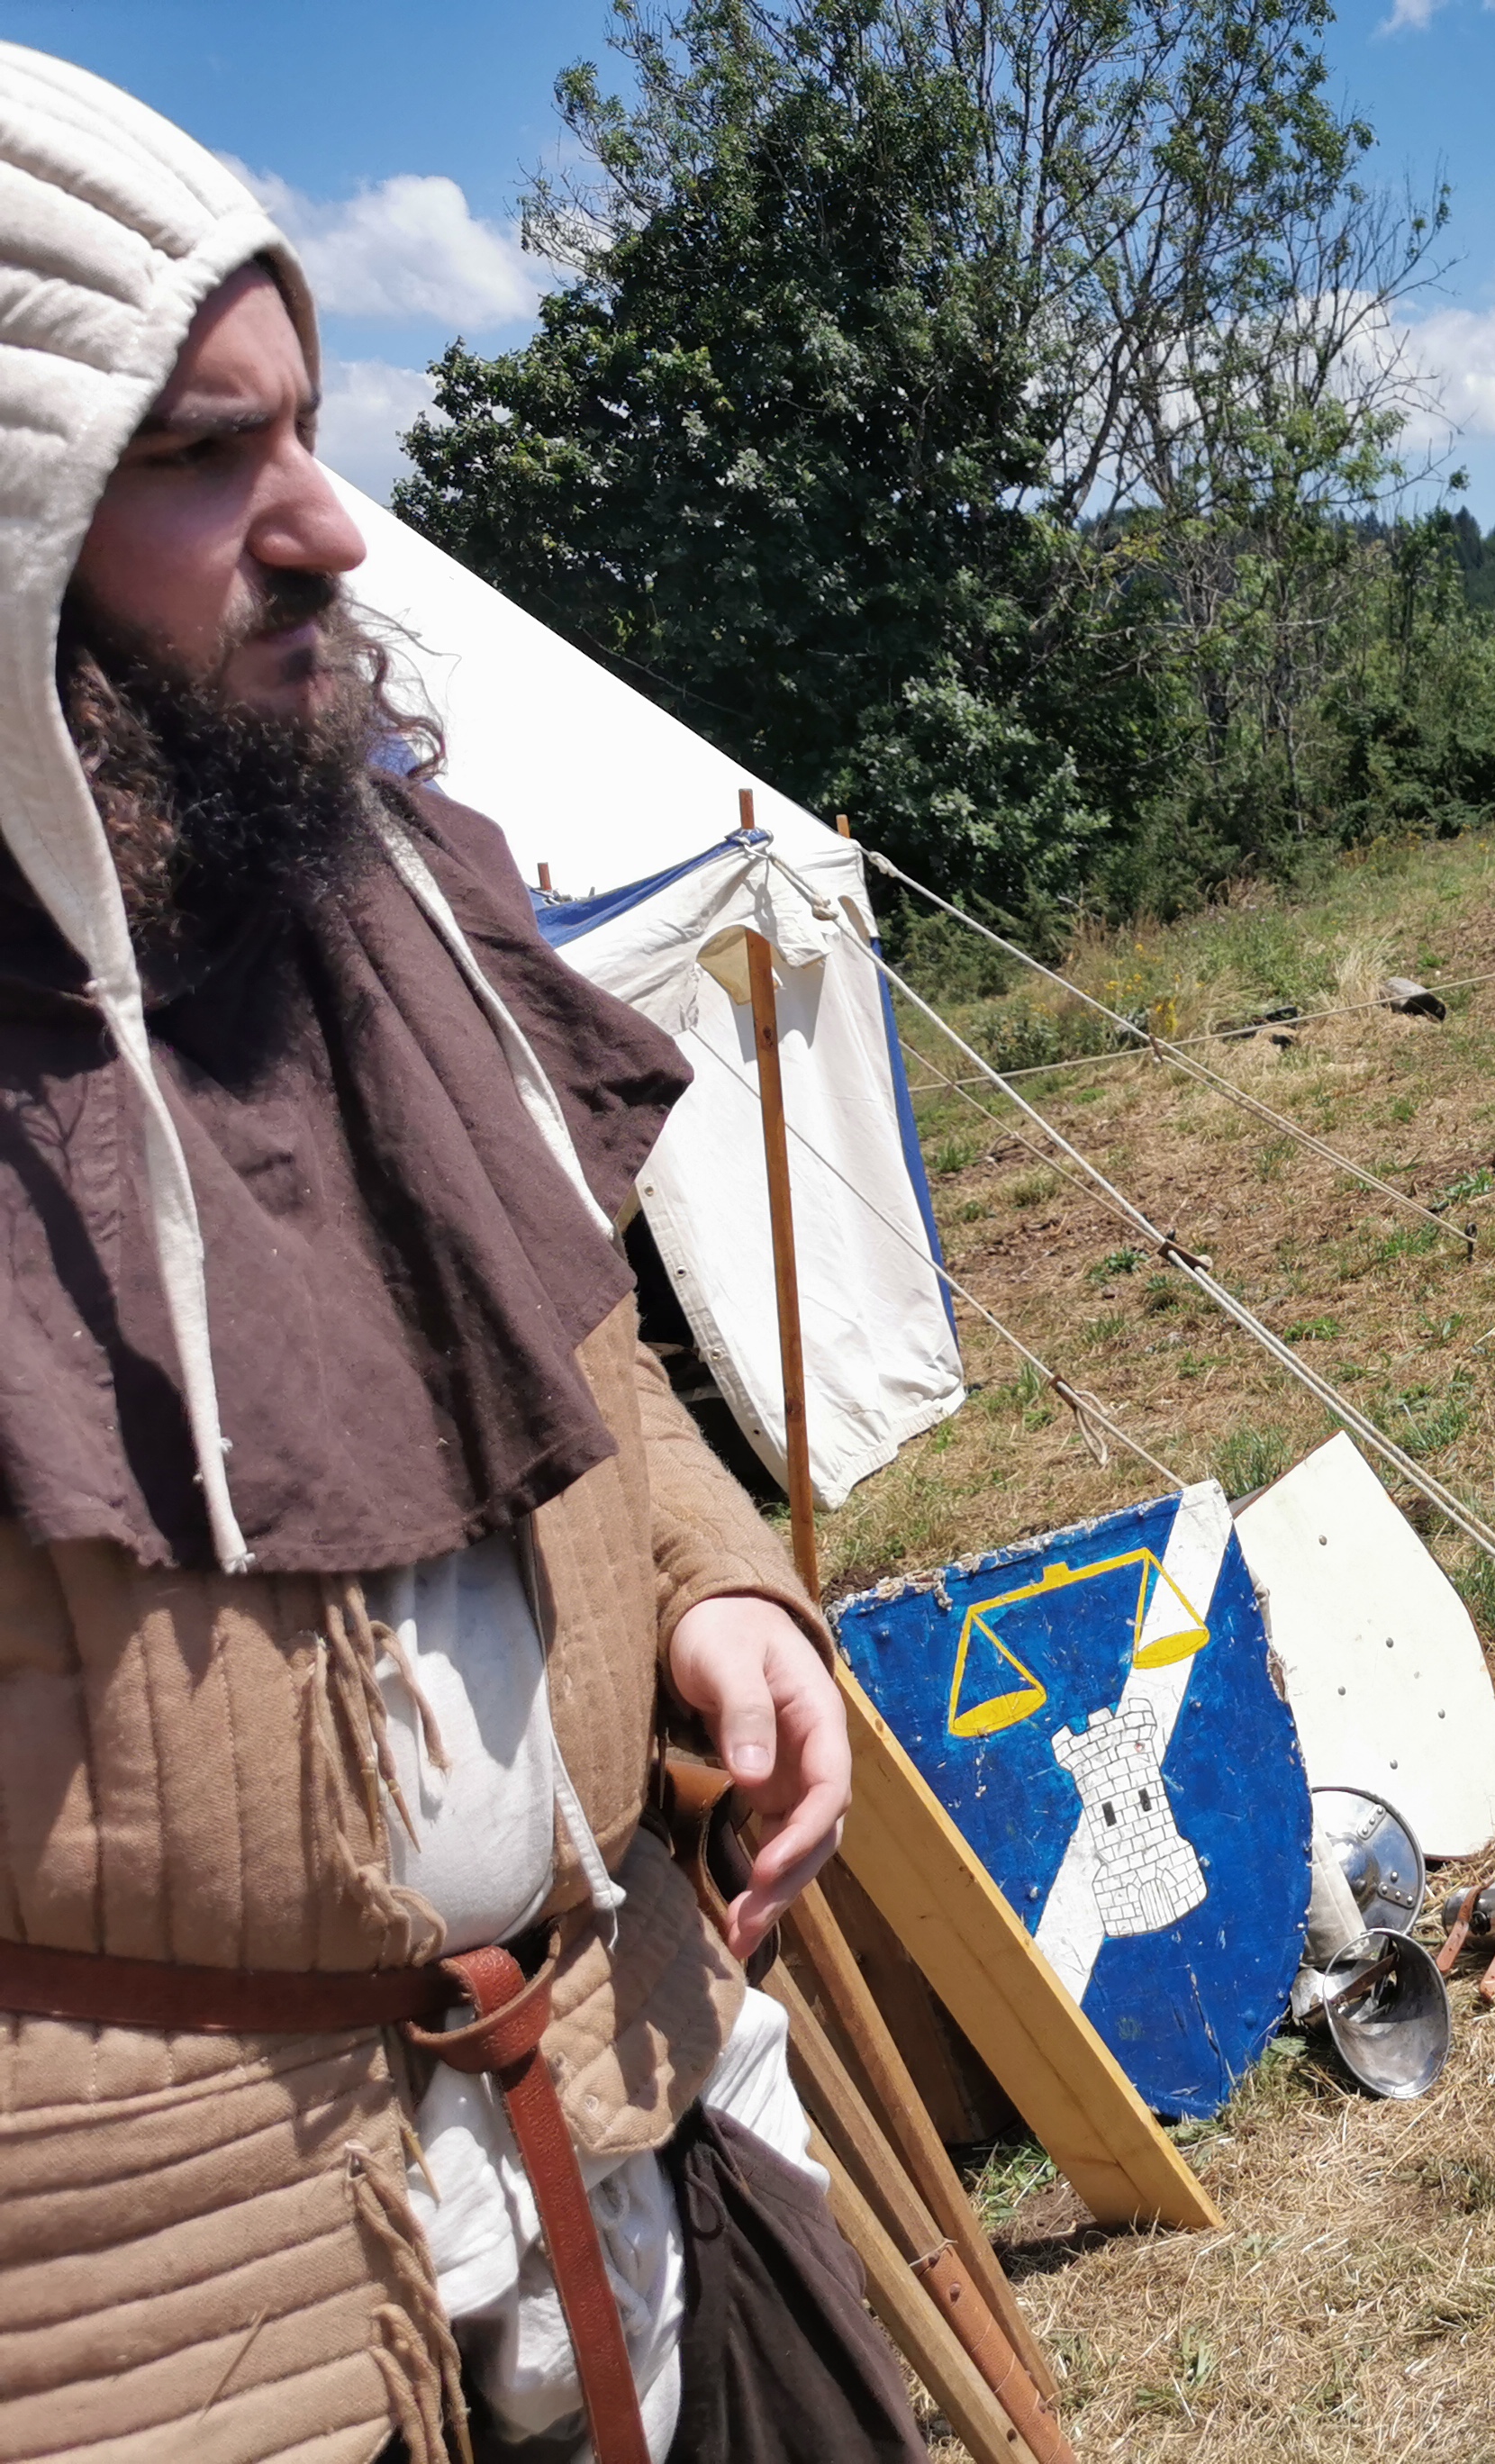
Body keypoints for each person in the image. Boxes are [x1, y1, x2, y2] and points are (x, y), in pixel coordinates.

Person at [0, 48, 920, 2464]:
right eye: (202, 454)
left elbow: (559, 1352)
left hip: (634, 2119)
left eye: (305, 426)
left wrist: (711, 1584)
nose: (327, 526)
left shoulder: (379, 887)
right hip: (188, 2319)